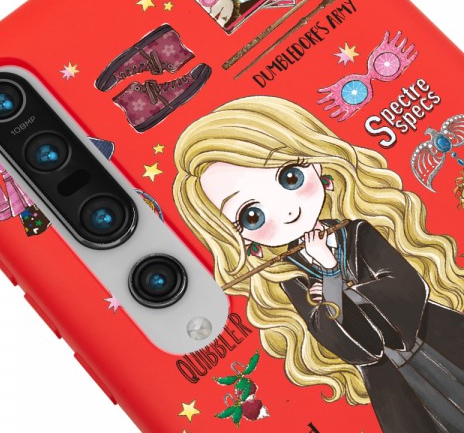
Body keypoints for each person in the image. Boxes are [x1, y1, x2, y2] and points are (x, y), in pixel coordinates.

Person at [173, 96, 464, 432]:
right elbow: (346, 344)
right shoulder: (289, 278)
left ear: (317, 165)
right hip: (396, 383)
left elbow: (407, 289)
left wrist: (333, 282)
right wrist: (331, 277)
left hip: (440, 340)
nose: (287, 210)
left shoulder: (358, 231)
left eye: (290, 178)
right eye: (252, 216)